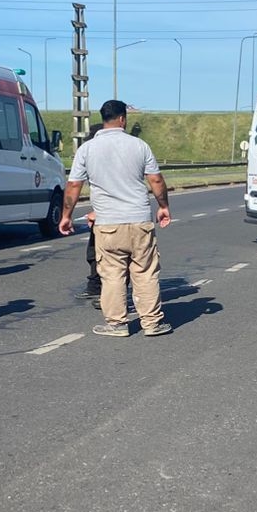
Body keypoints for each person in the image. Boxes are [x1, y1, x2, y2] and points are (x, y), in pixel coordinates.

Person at [59, 99, 172, 337]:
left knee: (112, 274)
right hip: (139, 220)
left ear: (104, 119)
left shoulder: (86, 149)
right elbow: (156, 181)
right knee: (145, 272)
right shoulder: (140, 146)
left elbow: (73, 185)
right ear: (123, 119)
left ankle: (117, 324)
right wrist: (163, 206)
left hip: (108, 223)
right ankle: (151, 323)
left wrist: (66, 215)